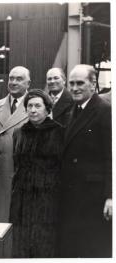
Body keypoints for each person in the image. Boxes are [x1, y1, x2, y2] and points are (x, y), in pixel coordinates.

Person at [58, 64, 112, 257]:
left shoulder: (105, 111)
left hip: (93, 198)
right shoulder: (72, 111)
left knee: (93, 248)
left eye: (80, 83)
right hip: (72, 195)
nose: (74, 88)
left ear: (93, 84)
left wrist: (110, 196)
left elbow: (110, 157)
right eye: (71, 83)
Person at [9, 89, 64, 258]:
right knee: (21, 244)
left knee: (44, 244)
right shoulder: (18, 133)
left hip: (47, 200)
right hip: (22, 200)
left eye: (38, 106)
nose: (33, 110)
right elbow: (16, 165)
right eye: (29, 106)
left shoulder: (59, 132)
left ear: (47, 109)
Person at [0, 66, 29, 223]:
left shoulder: (36, 107)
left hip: (20, 174)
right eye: (11, 78)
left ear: (28, 83)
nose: (14, 82)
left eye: (19, 79)